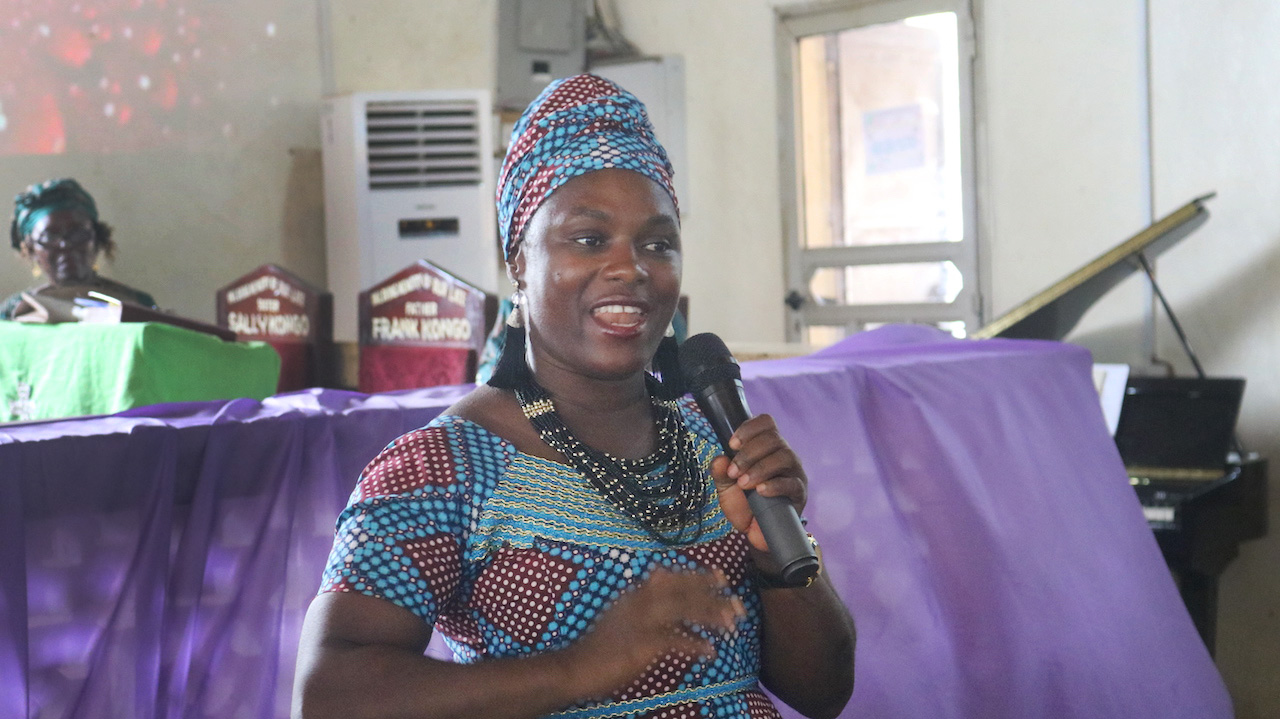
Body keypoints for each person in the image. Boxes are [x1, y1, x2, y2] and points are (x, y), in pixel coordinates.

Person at [293, 74, 856, 719]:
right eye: (589, 239)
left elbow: (824, 691)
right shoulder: (441, 470)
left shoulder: (712, 444)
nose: (631, 268)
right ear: (518, 259)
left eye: (658, 243)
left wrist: (777, 554)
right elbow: (326, 698)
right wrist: (577, 669)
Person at [1, 178, 157, 321]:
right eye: (49, 237)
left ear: (97, 240)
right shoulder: (15, 312)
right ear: (31, 249)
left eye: (77, 233)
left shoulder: (136, 305)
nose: (65, 245)